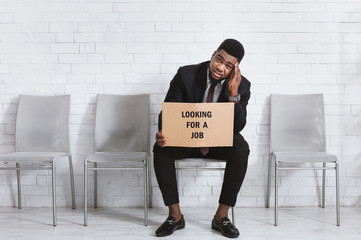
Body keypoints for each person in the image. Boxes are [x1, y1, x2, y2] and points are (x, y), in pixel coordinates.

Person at [153, 39, 250, 238]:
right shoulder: (186, 75)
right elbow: (169, 111)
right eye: (219, 60)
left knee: (241, 146)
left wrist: (233, 95)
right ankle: (175, 216)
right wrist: (164, 132)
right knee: (160, 146)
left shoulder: (242, 85)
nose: (221, 68)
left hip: (216, 142)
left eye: (228, 66)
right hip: (187, 139)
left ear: (235, 68)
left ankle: (221, 216)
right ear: (213, 54)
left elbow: (238, 127)